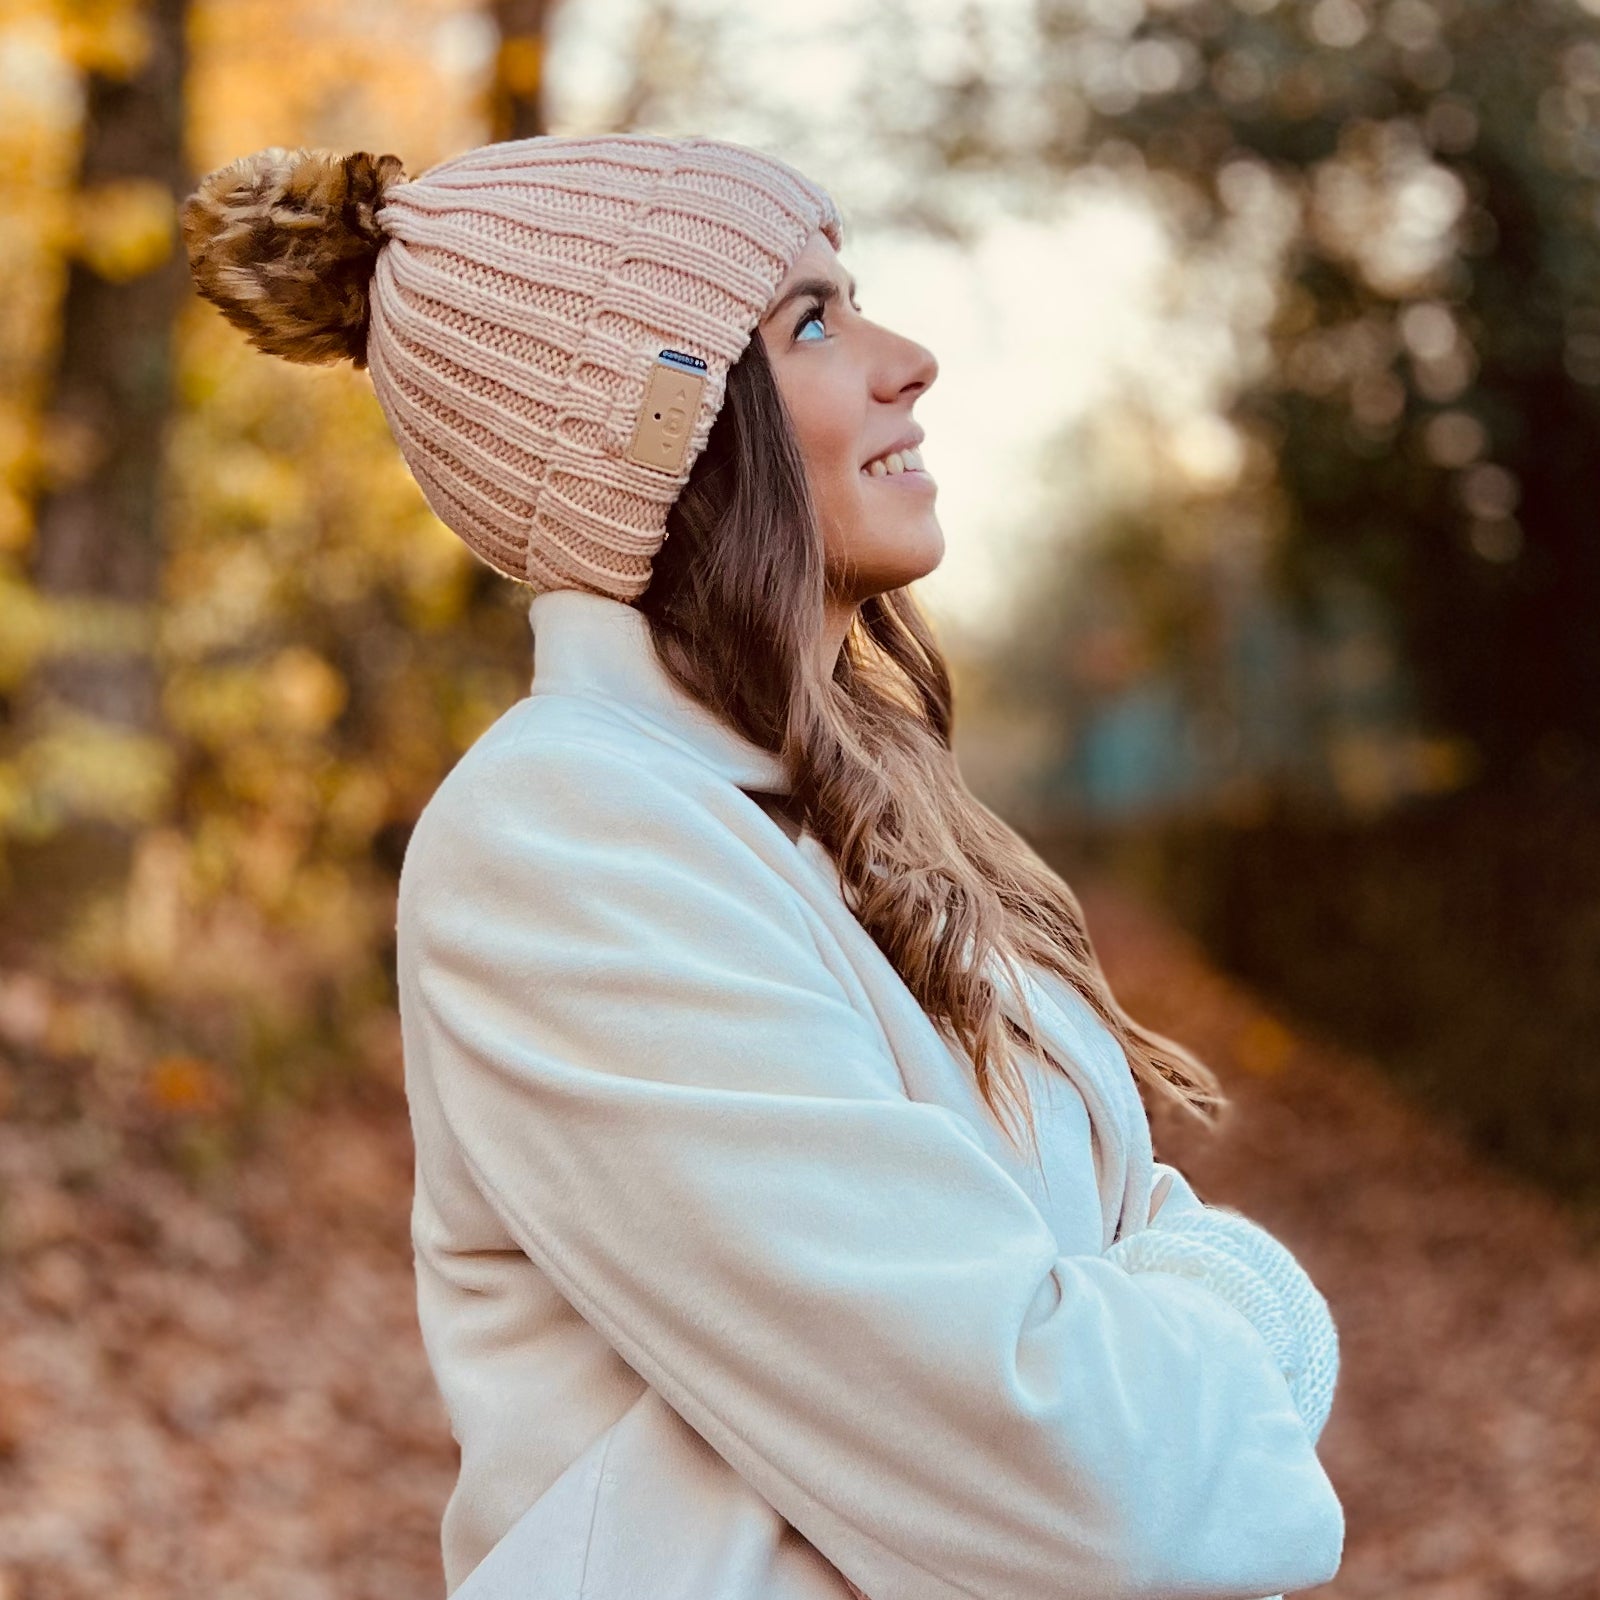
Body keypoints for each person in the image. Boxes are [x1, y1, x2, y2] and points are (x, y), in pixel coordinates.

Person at [181, 132, 1343, 1600]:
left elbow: (1089, 1339)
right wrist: (1249, 1313)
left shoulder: (855, 823)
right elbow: (1094, 1487)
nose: (907, 358)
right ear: (663, 429)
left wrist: (1135, 1339)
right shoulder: (565, 844)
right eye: (811, 320)